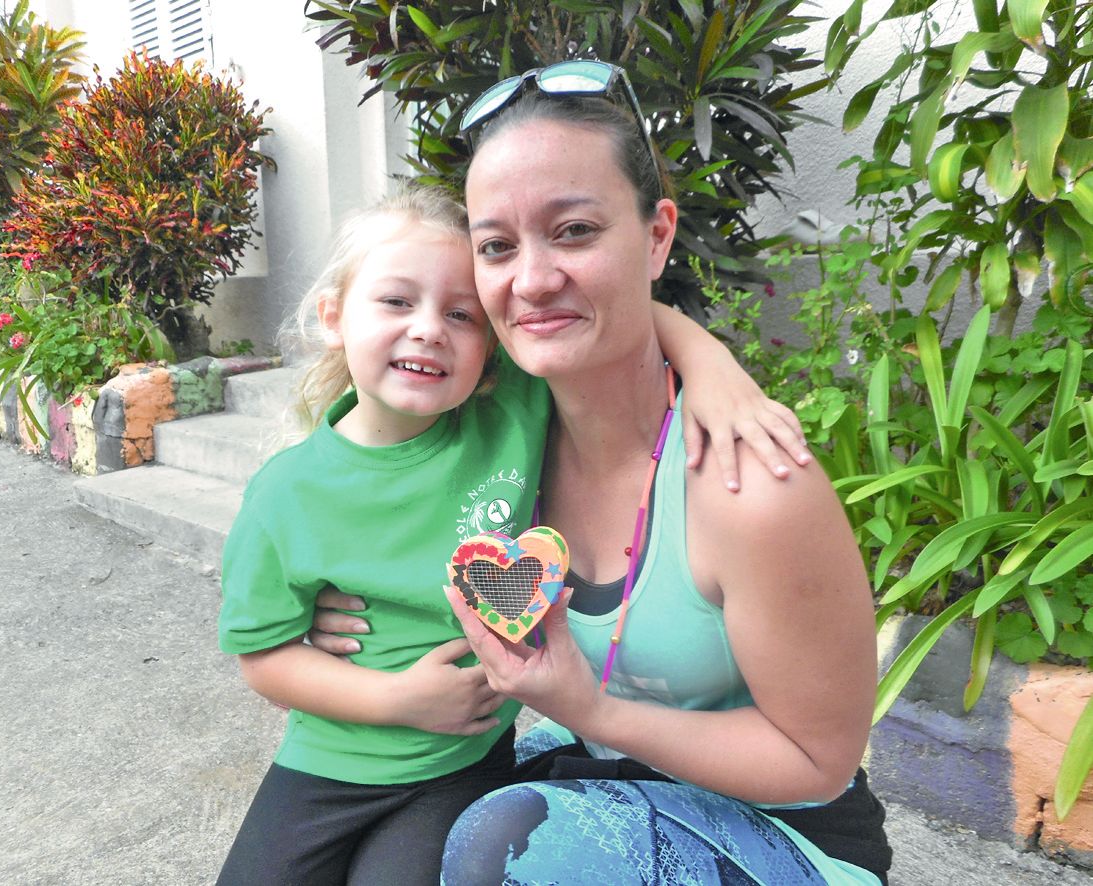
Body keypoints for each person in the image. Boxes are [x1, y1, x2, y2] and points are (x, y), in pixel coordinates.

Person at [311, 61, 891, 884]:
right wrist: (328, 601)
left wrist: (589, 710)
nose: (532, 277)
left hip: (781, 838)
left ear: (656, 236)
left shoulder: (748, 486)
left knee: (503, 840)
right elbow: (363, 449)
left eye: (575, 230)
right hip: (589, 784)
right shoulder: (498, 438)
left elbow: (815, 761)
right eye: (497, 247)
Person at [215, 184, 811, 886]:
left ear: (490, 347)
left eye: (461, 315)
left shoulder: (510, 413)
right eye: (396, 302)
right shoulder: (287, 492)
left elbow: (625, 316)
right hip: (326, 769)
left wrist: (714, 371)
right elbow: (263, 657)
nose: (429, 328)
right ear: (334, 317)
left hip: (459, 770)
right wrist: (398, 700)